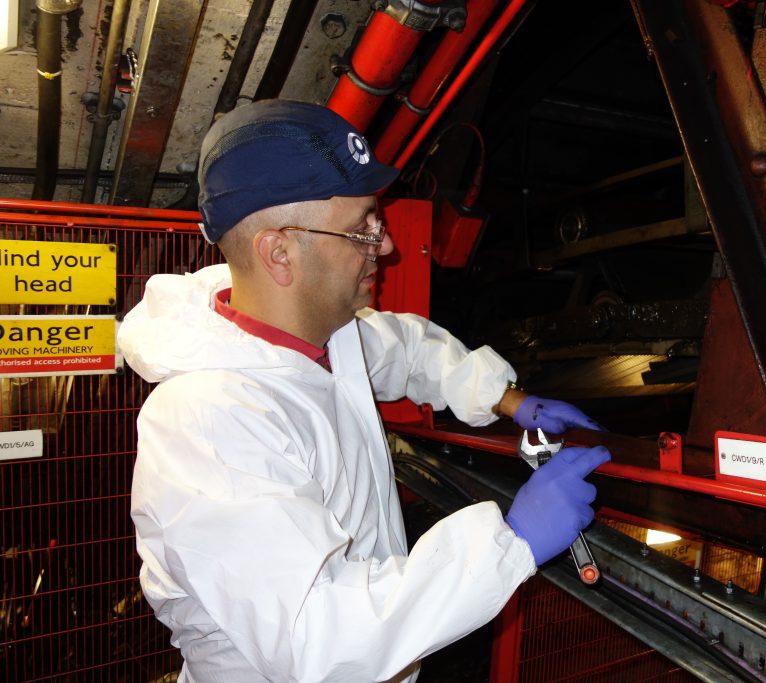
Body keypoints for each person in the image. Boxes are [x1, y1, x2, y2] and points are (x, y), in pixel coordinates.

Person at [118, 99, 611, 682]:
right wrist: (509, 542)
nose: (387, 246)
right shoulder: (207, 424)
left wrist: (507, 398)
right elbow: (318, 635)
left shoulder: (326, 335)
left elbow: (405, 347)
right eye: (361, 229)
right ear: (278, 252)